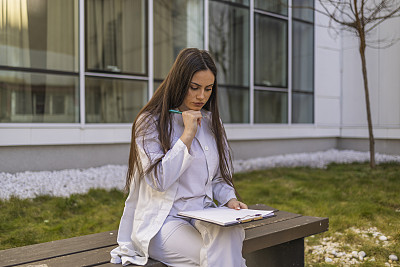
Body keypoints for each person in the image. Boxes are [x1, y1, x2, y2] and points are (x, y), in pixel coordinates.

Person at [110, 48, 248, 267]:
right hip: (164, 221)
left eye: (208, 89)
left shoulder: (213, 123)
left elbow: (219, 178)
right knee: (212, 255)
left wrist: (230, 199)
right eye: (194, 87)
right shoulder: (149, 123)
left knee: (230, 235)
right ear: (179, 82)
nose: (201, 96)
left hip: (204, 214)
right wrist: (187, 135)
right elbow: (159, 180)